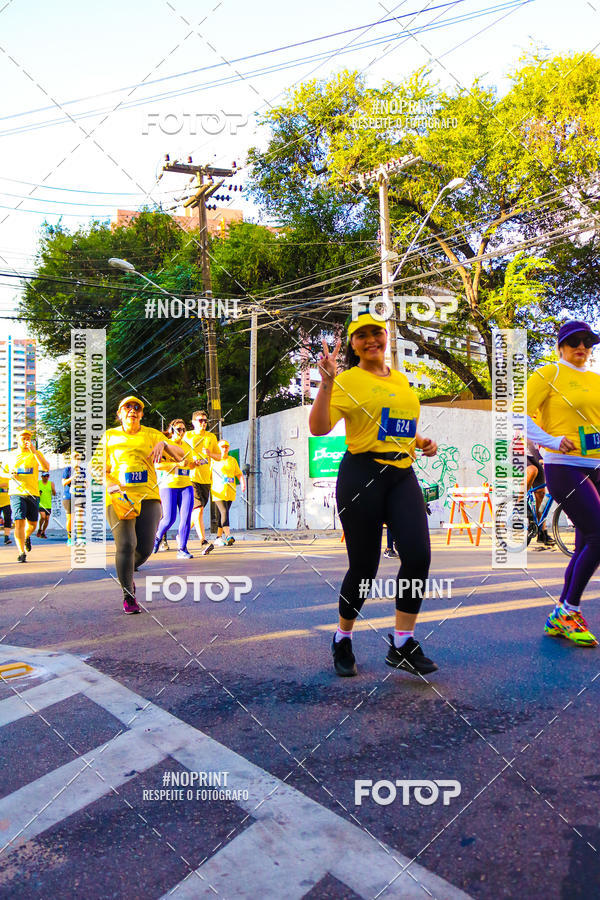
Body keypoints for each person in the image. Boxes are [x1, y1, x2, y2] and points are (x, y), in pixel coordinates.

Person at [309, 312, 439, 678]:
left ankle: (402, 643)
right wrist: (327, 383)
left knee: (418, 556)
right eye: (361, 335)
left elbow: (396, 424)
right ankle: (342, 638)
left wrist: (421, 441)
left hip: (402, 474)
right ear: (353, 343)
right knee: (364, 568)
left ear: (386, 336)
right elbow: (318, 428)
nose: (371, 340)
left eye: (376, 333)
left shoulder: (400, 379)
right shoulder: (346, 380)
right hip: (361, 474)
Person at [527, 320, 600, 646]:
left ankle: (561, 611)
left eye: (588, 341)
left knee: (587, 543)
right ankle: (570, 610)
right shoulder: (549, 374)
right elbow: (516, 414)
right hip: (564, 467)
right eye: (574, 342)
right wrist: (551, 441)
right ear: (560, 347)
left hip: (596, 466)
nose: (582, 347)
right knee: (599, 535)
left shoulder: (596, 380)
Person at [90, 396, 186, 613]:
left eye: (137, 407)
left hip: (148, 496)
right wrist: (108, 482)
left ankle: (125, 570)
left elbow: (181, 456)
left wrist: (164, 443)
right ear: (119, 413)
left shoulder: (152, 435)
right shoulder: (110, 436)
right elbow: (96, 467)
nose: (132, 410)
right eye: (127, 407)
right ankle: (128, 594)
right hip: (119, 497)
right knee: (126, 544)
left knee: (144, 549)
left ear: (141, 414)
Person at [153, 419, 200, 559]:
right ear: (172, 430)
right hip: (169, 485)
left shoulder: (187, 446)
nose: (182, 432)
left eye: (184, 429)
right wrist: (177, 464)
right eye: (179, 429)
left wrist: (193, 464)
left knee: (186, 518)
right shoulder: (165, 445)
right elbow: (157, 465)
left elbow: (188, 465)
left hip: (186, 485)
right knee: (169, 518)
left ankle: (182, 549)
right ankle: (157, 537)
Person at [1, 429, 50, 563]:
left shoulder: (36, 453)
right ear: (18, 440)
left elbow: (46, 467)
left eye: (28, 438)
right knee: (19, 521)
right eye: (23, 438)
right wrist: (9, 475)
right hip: (16, 492)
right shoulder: (11, 455)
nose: (26, 440)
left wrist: (34, 452)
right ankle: (21, 552)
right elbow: (2, 472)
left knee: (33, 524)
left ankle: (26, 536)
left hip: (32, 493)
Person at [185, 410, 220, 550]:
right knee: (198, 509)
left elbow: (219, 456)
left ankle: (182, 533)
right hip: (191, 477)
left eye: (205, 421)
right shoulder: (187, 435)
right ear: (193, 422)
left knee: (197, 512)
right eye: (200, 420)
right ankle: (203, 541)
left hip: (206, 479)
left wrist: (210, 453)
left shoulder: (211, 437)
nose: (203, 423)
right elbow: (177, 449)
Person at [211, 440, 245, 546]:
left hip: (230, 491)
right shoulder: (214, 460)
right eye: (222, 447)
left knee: (223, 514)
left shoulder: (232, 460)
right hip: (218, 491)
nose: (224, 449)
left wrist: (243, 483)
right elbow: (208, 475)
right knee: (224, 511)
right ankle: (228, 535)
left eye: (226, 447)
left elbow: (239, 474)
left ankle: (218, 537)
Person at [526, 439, 555, 549]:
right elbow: (530, 443)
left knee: (541, 494)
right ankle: (520, 502)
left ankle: (542, 533)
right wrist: (540, 459)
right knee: (532, 470)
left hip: (532, 456)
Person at [37, 471, 56, 538]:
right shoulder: (38, 483)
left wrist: (53, 490)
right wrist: (38, 493)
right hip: (40, 503)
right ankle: (40, 529)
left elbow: (54, 494)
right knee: (43, 517)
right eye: (44, 476)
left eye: (47, 476)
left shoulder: (51, 483)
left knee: (47, 519)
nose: (46, 477)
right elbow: (34, 492)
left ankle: (43, 532)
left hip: (48, 504)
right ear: (42, 477)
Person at [0, 471, 12, 544]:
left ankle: (6, 537)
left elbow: (13, 486)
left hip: (7, 502)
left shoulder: (8, 477)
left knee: (8, 519)